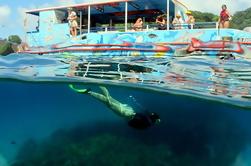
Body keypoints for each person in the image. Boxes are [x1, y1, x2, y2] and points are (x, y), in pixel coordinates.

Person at [69, 84, 161, 129]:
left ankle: (95, 86)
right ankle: (91, 90)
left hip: (129, 110)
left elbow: (146, 112)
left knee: (109, 99)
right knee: (108, 101)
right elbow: (132, 124)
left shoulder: (148, 118)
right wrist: (129, 119)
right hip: (126, 113)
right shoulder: (148, 123)